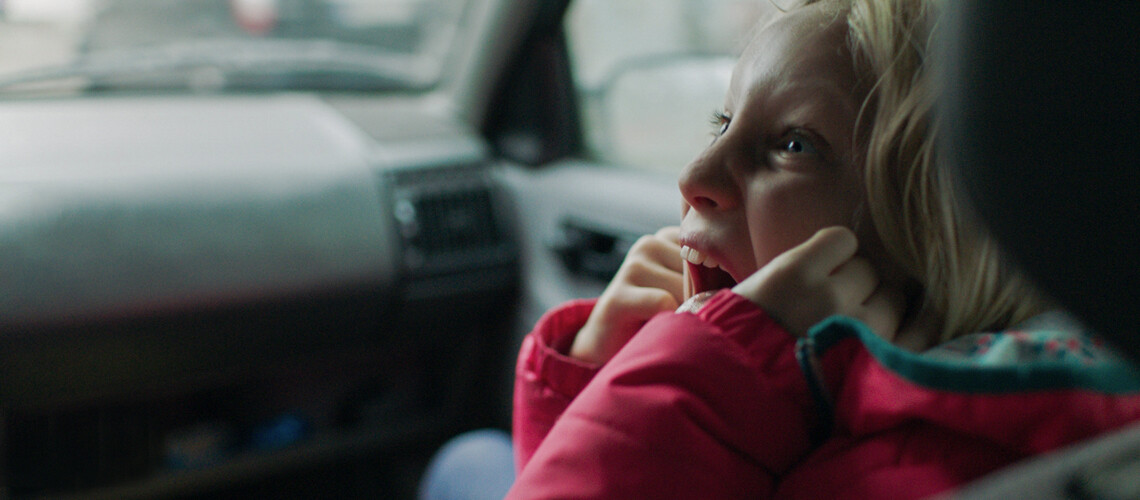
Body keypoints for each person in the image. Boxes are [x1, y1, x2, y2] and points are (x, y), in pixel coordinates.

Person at [501, 0, 1140, 499]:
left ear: (942, 236)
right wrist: (601, 379)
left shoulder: (911, 473)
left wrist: (707, 376)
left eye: (793, 145)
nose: (694, 176)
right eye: (721, 123)